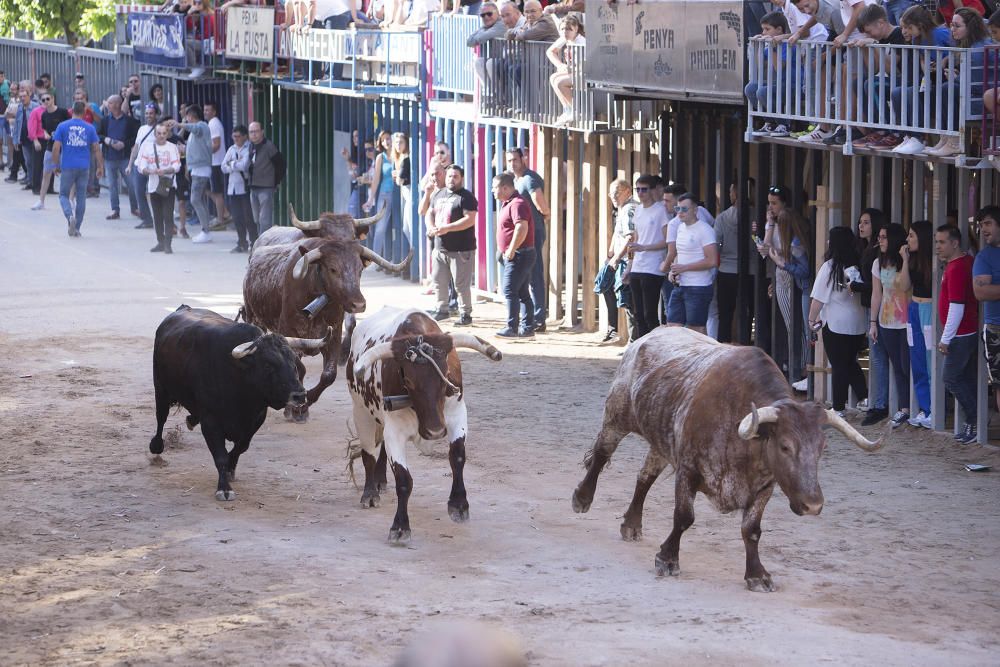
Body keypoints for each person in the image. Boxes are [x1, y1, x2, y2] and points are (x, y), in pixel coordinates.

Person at [807, 226, 868, 417]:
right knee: (850, 362)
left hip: (836, 324)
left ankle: (839, 407)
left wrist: (811, 320)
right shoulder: (858, 263)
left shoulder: (830, 267)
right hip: (858, 324)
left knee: (839, 365)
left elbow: (818, 298)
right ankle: (864, 397)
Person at [760, 186, 810, 387]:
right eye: (769, 203)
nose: (771, 207)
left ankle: (803, 366)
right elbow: (764, 249)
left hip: (793, 277)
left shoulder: (791, 224)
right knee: (792, 325)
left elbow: (795, 257)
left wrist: (779, 257)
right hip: (782, 276)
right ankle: (796, 364)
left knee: (801, 327)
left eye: (774, 203)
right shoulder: (776, 223)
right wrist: (769, 224)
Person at [935, 224, 980, 444]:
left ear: (954, 243)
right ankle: (974, 421)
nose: (938, 247)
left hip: (961, 333)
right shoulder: (959, 264)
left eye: (942, 242)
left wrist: (946, 338)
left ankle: (974, 419)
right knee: (965, 377)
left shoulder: (957, 268)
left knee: (950, 377)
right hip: (964, 331)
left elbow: (957, 305)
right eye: (937, 242)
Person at [869, 223, 912, 429]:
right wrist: (873, 322)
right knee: (897, 367)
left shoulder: (907, 261)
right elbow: (876, 294)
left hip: (906, 322)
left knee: (908, 365)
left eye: (884, 237)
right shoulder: (878, 263)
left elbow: (905, 286)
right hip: (887, 322)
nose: (880, 240)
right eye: (879, 236)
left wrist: (905, 260)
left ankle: (918, 407)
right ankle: (904, 408)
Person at [851, 208, 891, 424]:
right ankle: (878, 401)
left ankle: (880, 404)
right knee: (876, 355)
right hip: (871, 306)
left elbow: (877, 286)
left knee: (878, 356)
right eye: (860, 222)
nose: (861, 226)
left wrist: (856, 286)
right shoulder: (866, 249)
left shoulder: (877, 252)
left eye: (866, 222)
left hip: (880, 306)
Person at [426, 164, 477, 325]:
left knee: (461, 285)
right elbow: (430, 212)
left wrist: (447, 228)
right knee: (438, 281)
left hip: (461, 249)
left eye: (455, 176)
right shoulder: (438, 194)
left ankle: (465, 314)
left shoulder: (466, 197)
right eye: (449, 176)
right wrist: (430, 226)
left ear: (461, 178)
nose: (451, 179)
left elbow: (470, 219)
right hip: (440, 248)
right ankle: (442, 310)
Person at [506, 147, 550, 331]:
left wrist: (545, 215)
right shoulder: (515, 180)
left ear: (523, 159)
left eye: (515, 159)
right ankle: (532, 316)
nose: (512, 163)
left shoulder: (529, 178)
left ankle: (539, 317)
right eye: (509, 160)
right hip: (524, 233)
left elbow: (540, 202)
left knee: (535, 274)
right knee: (526, 275)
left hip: (533, 233)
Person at [666, 192, 718, 334]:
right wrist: (673, 271)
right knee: (672, 328)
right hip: (680, 285)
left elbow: (712, 260)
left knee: (696, 331)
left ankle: (699, 356)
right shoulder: (680, 227)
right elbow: (680, 254)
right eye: (678, 209)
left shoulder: (705, 229)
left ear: (695, 210)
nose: (680, 213)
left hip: (698, 287)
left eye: (684, 209)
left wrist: (684, 268)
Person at [899, 220, 934, 428]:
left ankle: (933, 409)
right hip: (914, 308)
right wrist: (904, 260)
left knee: (930, 361)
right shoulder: (912, 260)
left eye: (912, 235)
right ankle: (924, 407)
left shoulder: (933, 261)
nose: (908, 239)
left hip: (929, 309)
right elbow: (904, 286)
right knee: (918, 359)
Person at [493, 172, 536, 339]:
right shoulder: (509, 203)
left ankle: (512, 327)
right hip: (519, 254)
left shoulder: (517, 204)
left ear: (505, 188)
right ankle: (527, 327)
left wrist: (511, 249)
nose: (492, 191)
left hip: (520, 254)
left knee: (510, 290)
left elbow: (521, 228)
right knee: (522, 292)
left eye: (494, 187)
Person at [51, 101, 103, 237]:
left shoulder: (62, 126)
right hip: (84, 166)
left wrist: (55, 164)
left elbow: (56, 147)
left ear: (71, 111)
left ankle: (69, 217)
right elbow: (96, 148)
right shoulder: (90, 127)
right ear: (85, 112)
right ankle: (77, 228)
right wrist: (100, 167)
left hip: (68, 165)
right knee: (81, 198)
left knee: (63, 194)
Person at [627, 174, 670, 339]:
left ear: (652, 190)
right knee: (638, 313)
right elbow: (637, 238)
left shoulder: (661, 210)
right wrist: (629, 265)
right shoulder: (638, 210)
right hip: (638, 265)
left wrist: (645, 247)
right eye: (637, 189)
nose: (640, 193)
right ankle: (642, 347)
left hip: (653, 267)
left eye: (644, 189)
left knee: (649, 313)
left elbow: (667, 241)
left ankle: (656, 346)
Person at [596, 178, 637, 345]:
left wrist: (617, 257)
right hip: (619, 259)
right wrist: (611, 253)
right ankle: (613, 329)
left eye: (616, 193)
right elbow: (617, 233)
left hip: (628, 261)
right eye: (611, 193)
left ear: (627, 191)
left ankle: (632, 340)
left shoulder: (629, 209)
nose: (613, 196)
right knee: (604, 285)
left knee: (629, 301)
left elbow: (630, 236)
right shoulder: (622, 209)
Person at [166, 104, 213, 243]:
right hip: (196, 169)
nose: (185, 119)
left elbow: (195, 128)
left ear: (190, 116)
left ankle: (205, 230)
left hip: (201, 169)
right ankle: (206, 229)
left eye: (186, 116)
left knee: (195, 199)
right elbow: (194, 148)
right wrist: (183, 148)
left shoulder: (202, 126)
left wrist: (179, 124)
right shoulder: (194, 132)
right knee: (200, 200)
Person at [136, 122, 182, 254]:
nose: (161, 136)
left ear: (167, 134)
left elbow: (177, 165)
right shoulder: (148, 148)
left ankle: (168, 243)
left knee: (168, 215)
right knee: (157, 216)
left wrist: (166, 170)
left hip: (168, 185)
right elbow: (141, 166)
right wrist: (149, 171)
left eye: (164, 133)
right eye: (159, 133)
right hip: (153, 186)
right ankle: (160, 242)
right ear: (155, 134)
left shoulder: (172, 148)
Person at [972, 206, 1000, 423]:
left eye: (988, 223)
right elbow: (981, 292)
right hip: (995, 329)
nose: (983, 229)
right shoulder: (984, 257)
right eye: (981, 225)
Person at [747, 12, 794, 138]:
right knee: (751, 88)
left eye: (767, 29)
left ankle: (784, 125)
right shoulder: (770, 45)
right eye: (763, 29)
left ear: (779, 30)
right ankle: (770, 122)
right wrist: (757, 46)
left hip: (792, 84)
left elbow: (779, 67)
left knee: (763, 91)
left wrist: (773, 48)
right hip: (777, 84)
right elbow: (760, 65)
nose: (763, 33)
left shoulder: (788, 44)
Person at [98, 95, 139, 221]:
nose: (114, 106)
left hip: (125, 157)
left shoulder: (129, 121)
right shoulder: (104, 120)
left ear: (121, 104)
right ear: (108, 105)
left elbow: (135, 138)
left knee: (132, 184)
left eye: (117, 103)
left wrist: (124, 144)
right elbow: (98, 135)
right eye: (111, 103)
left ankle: (135, 208)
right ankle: (115, 209)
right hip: (110, 157)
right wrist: (108, 140)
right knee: (112, 185)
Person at [31, 92, 70, 211]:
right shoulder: (44, 115)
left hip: (65, 147)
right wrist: (47, 134)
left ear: (53, 99)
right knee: (46, 173)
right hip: (50, 146)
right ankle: (41, 201)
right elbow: (44, 129)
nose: (46, 101)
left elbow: (70, 127)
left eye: (48, 99)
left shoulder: (63, 112)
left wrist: (60, 135)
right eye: (43, 100)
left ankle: (71, 200)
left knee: (68, 174)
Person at [546, 15, 585, 127]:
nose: (565, 32)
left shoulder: (581, 42)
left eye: (569, 29)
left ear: (576, 29)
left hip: (586, 75)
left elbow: (583, 66)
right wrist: (560, 65)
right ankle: (567, 109)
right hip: (575, 72)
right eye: (563, 29)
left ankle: (576, 110)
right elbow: (550, 51)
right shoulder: (565, 38)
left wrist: (568, 69)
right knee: (553, 77)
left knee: (560, 82)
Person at [364, 131, 397, 261]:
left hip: (399, 195)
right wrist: (370, 199)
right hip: (385, 194)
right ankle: (375, 260)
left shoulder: (398, 154)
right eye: (383, 140)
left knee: (399, 227)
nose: (386, 142)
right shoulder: (380, 157)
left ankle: (395, 258)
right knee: (380, 228)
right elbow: (376, 179)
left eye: (388, 139)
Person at [247, 121, 285, 233]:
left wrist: (275, 182)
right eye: (251, 132)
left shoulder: (269, 146)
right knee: (256, 218)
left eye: (256, 131)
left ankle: (264, 244)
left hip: (265, 187)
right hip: (253, 186)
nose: (254, 134)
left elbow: (281, 164)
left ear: (262, 132)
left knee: (265, 219)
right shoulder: (250, 146)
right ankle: (259, 240)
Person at [221, 124, 254, 253]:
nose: (235, 139)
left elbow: (245, 165)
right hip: (232, 188)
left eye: (238, 136)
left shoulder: (248, 148)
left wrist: (231, 164)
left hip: (244, 188)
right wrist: (235, 164)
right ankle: (241, 242)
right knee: (237, 217)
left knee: (249, 217)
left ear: (245, 137)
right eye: (234, 136)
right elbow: (223, 167)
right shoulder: (231, 149)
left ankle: (253, 242)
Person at [127, 104, 159, 230]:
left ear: (156, 114)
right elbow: (136, 147)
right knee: (139, 192)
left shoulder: (160, 129)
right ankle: (147, 219)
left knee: (156, 193)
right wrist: (130, 164)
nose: (148, 116)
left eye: (151, 113)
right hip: (139, 165)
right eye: (146, 113)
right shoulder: (142, 129)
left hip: (154, 167)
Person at [204, 101, 230, 230]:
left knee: (217, 192)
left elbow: (216, 144)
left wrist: (204, 153)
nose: (205, 112)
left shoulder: (213, 123)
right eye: (205, 110)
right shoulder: (212, 123)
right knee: (208, 190)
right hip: (214, 162)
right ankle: (224, 212)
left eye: (208, 110)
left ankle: (221, 219)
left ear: (214, 112)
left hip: (216, 162)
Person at [12, 83, 39, 190]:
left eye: (24, 96)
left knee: (35, 161)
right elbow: (17, 124)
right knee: (27, 161)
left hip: (34, 138)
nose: (23, 98)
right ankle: (30, 181)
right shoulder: (20, 108)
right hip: (23, 138)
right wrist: (15, 140)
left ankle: (36, 182)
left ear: (29, 95)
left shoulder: (35, 107)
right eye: (21, 97)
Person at [392, 131, 412, 263]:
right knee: (406, 227)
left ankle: (416, 252)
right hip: (407, 195)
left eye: (401, 142)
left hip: (410, 194)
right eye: (397, 142)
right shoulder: (400, 159)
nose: (398, 145)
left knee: (409, 227)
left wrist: (397, 175)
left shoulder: (406, 158)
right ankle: (414, 251)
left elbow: (401, 181)